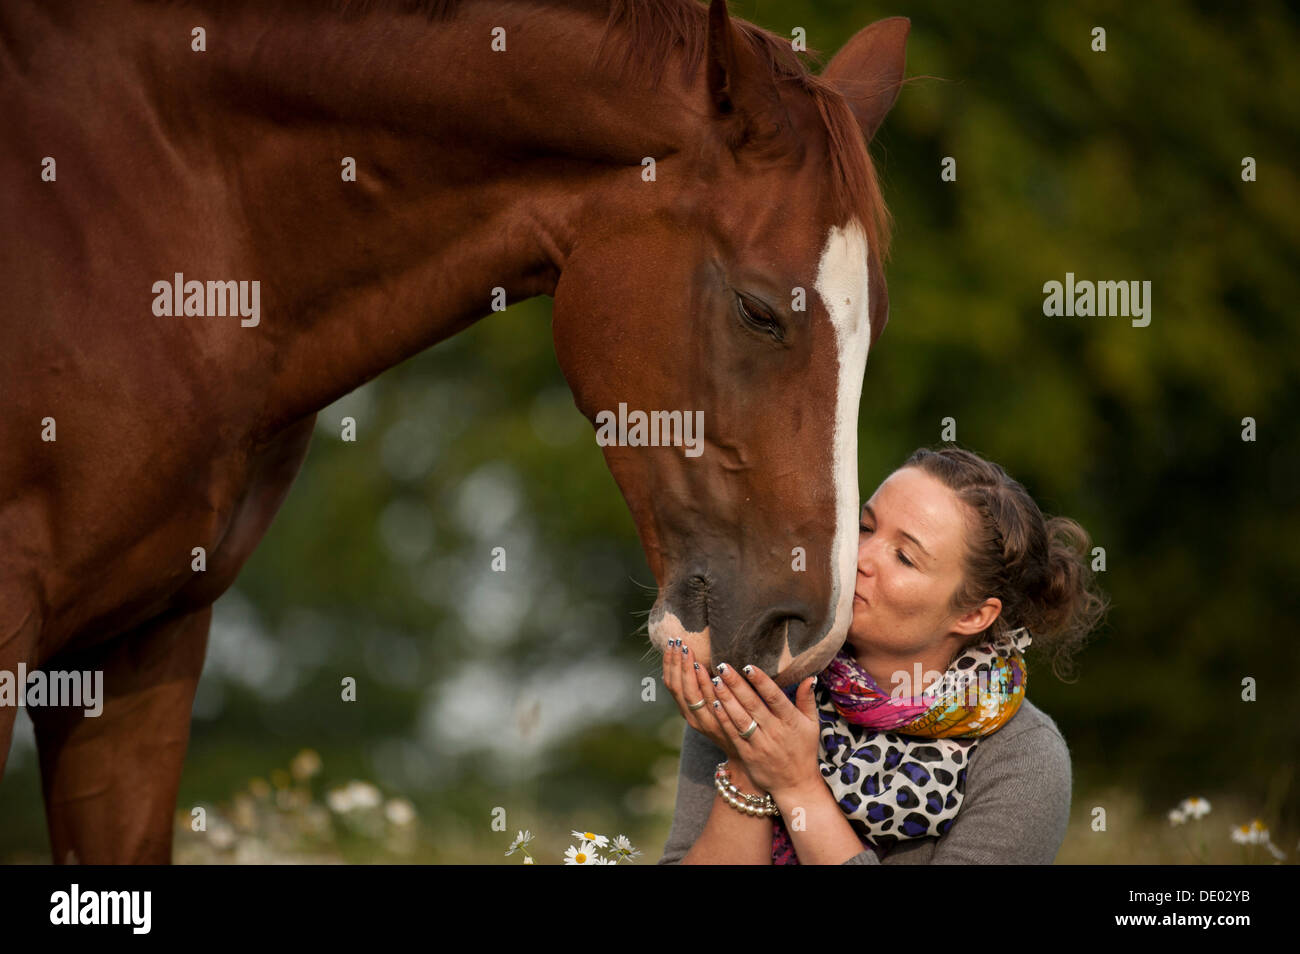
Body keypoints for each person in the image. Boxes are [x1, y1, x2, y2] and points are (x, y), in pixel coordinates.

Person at [658, 445, 1108, 864]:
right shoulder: (762, 687)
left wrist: (797, 786)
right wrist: (746, 761)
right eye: (866, 526)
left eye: (905, 557)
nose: (859, 556)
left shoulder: (1021, 759)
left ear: (973, 614)